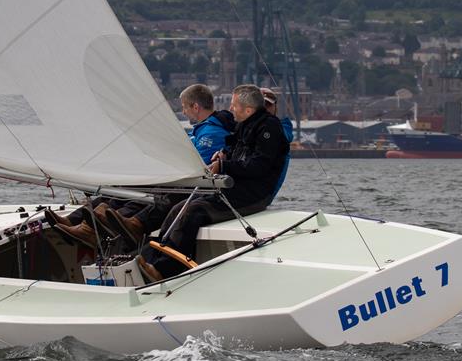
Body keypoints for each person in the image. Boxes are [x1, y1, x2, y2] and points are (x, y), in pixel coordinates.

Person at [47, 84, 234, 249]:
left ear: (195, 106)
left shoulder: (212, 132)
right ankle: (75, 220)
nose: (183, 112)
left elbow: (194, 166)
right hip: (176, 179)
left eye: (184, 107)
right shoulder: (203, 130)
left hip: (186, 185)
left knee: (137, 192)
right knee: (119, 189)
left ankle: (90, 228)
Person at [136, 84, 290, 282]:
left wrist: (223, 166)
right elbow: (234, 148)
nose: (231, 109)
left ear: (248, 110)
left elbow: (258, 166)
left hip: (254, 195)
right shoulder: (245, 125)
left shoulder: (268, 128)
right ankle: (152, 261)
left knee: (194, 211)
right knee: (178, 209)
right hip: (235, 188)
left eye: (234, 105)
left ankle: (166, 271)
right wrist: (224, 154)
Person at [260, 87, 293, 202]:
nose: (265, 109)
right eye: (261, 105)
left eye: (268, 105)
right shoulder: (247, 127)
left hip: (264, 194)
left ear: (275, 107)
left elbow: (285, 136)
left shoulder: (283, 127)